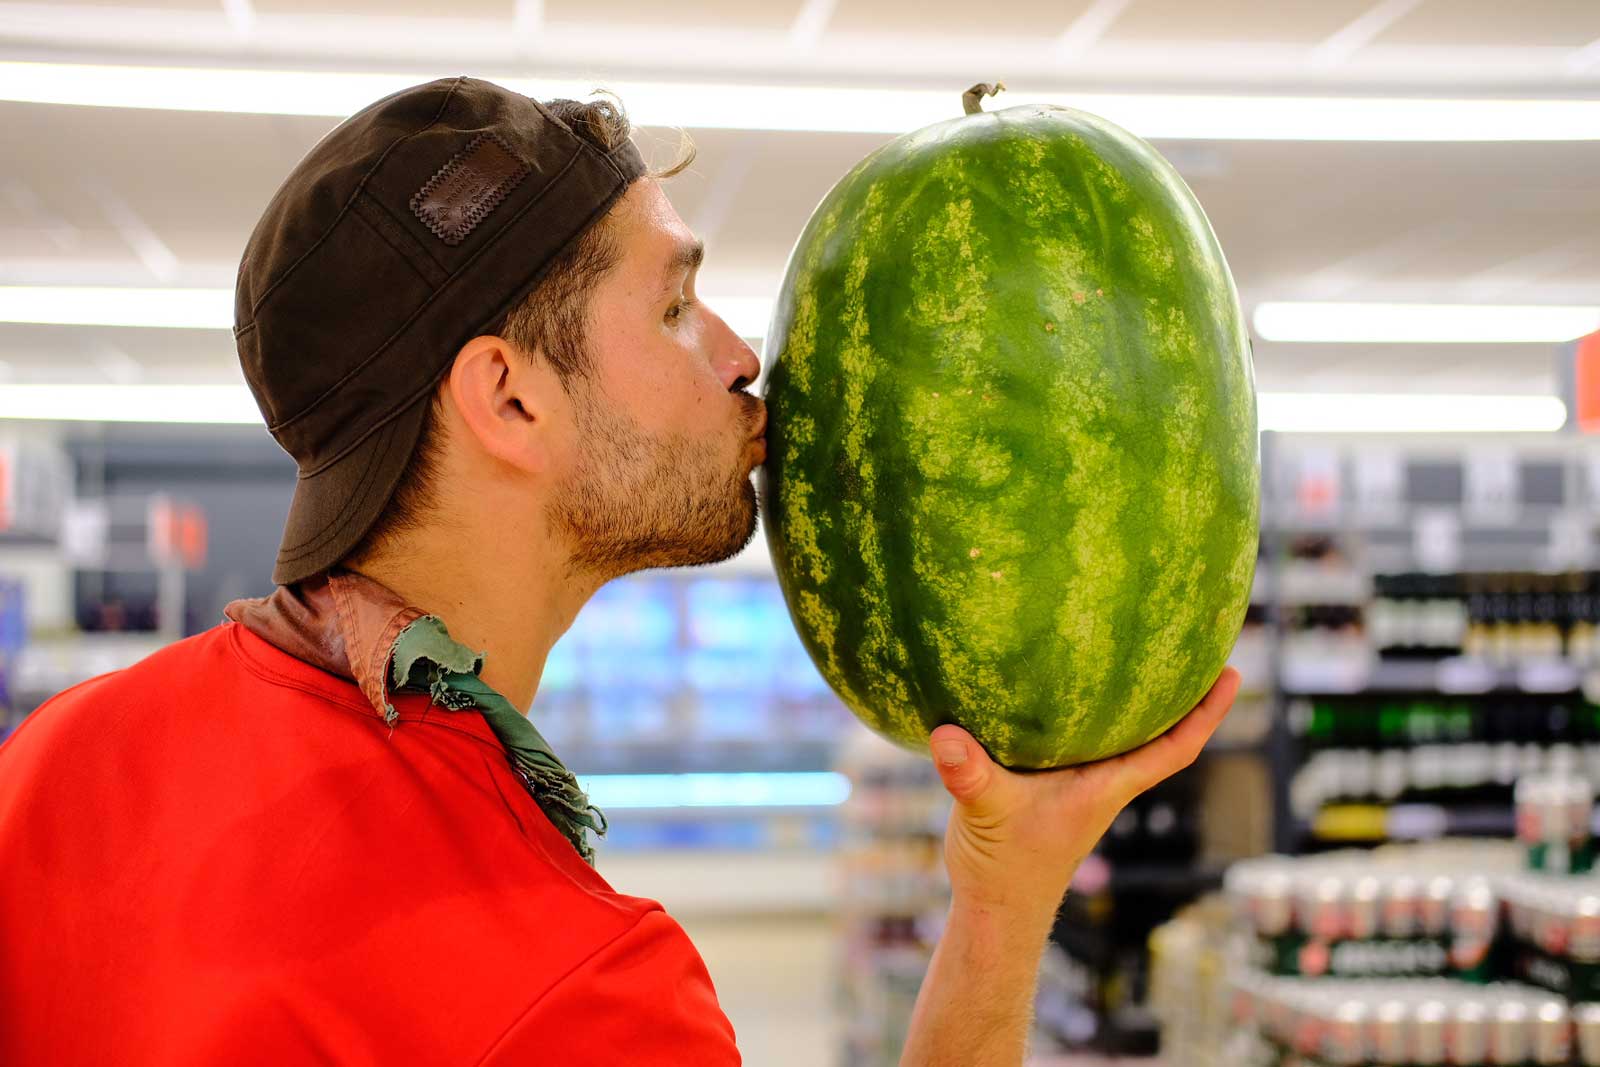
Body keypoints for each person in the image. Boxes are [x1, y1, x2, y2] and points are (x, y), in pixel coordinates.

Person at [0, 76, 1239, 1065]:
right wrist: (1006, 907)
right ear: (511, 398)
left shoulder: (55, 761)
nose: (745, 355)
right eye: (671, 308)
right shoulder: (574, 997)